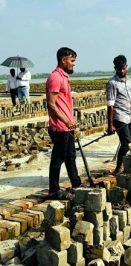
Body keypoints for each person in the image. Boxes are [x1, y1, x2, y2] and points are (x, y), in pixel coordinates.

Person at [46, 47, 81, 199]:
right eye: (72, 61)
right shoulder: (55, 77)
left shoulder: (64, 77)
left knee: (70, 156)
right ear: (63, 60)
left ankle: (76, 183)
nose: (73, 64)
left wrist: (71, 120)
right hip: (60, 127)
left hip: (67, 126)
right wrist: (66, 120)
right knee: (58, 159)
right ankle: (53, 190)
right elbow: (51, 104)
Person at [106, 55, 131, 174]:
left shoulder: (129, 82)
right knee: (126, 143)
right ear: (115, 68)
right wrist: (110, 125)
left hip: (129, 116)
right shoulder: (112, 83)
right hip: (119, 117)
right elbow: (110, 105)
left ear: (126, 67)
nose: (122, 71)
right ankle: (119, 167)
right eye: (119, 69)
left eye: (123, 68)